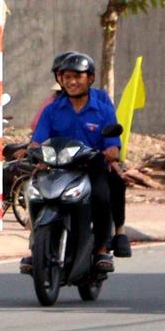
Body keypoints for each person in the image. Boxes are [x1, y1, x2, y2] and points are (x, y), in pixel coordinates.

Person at [26, 51, 123, 270]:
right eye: (67, 77)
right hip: (57, 168)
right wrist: (34, 152)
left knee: (101, 197)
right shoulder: (52, 110)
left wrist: (112, 151)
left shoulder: (104, 110)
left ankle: (101, 250)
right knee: (35, 196)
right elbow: (38, 140)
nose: (72, 82)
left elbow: (113, 143)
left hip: (91, 167)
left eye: (78, 76)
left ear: (90, 78)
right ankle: (36, 247)